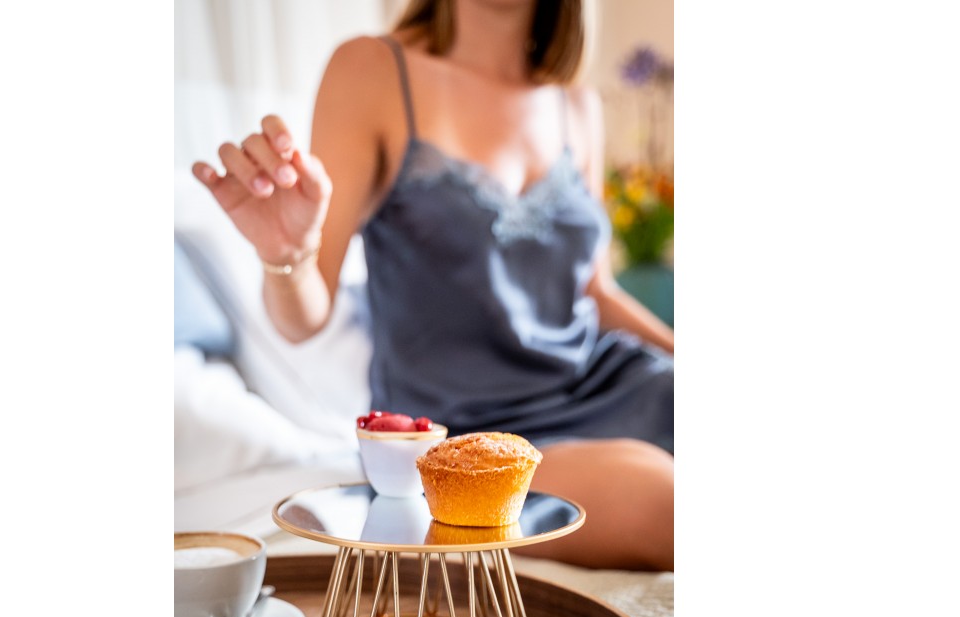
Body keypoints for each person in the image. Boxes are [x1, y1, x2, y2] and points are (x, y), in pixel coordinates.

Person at [192, 0, 674, 571]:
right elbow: (303, 317)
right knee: (669, 508)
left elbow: (595, 290)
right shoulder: (372, 71)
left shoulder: (575, 103)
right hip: (467, 440)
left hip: (610, 380)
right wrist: (290, 257)